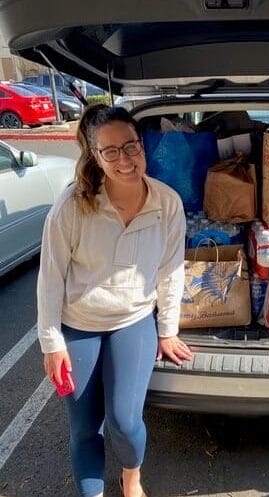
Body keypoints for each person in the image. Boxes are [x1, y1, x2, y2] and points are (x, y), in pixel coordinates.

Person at [37, 104, 193, 497]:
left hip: (133, 321)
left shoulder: (167, 202)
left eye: (131, 146)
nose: (125, 159)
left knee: (124, 419)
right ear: (95, 155)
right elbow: (50, 278)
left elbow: (171, 271)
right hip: (79, 324)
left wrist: (167, 329)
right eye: (111, 151)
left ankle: (131, 478)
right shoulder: (71, 207)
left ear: (143, 146)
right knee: (85, 427)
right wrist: (52, 343)